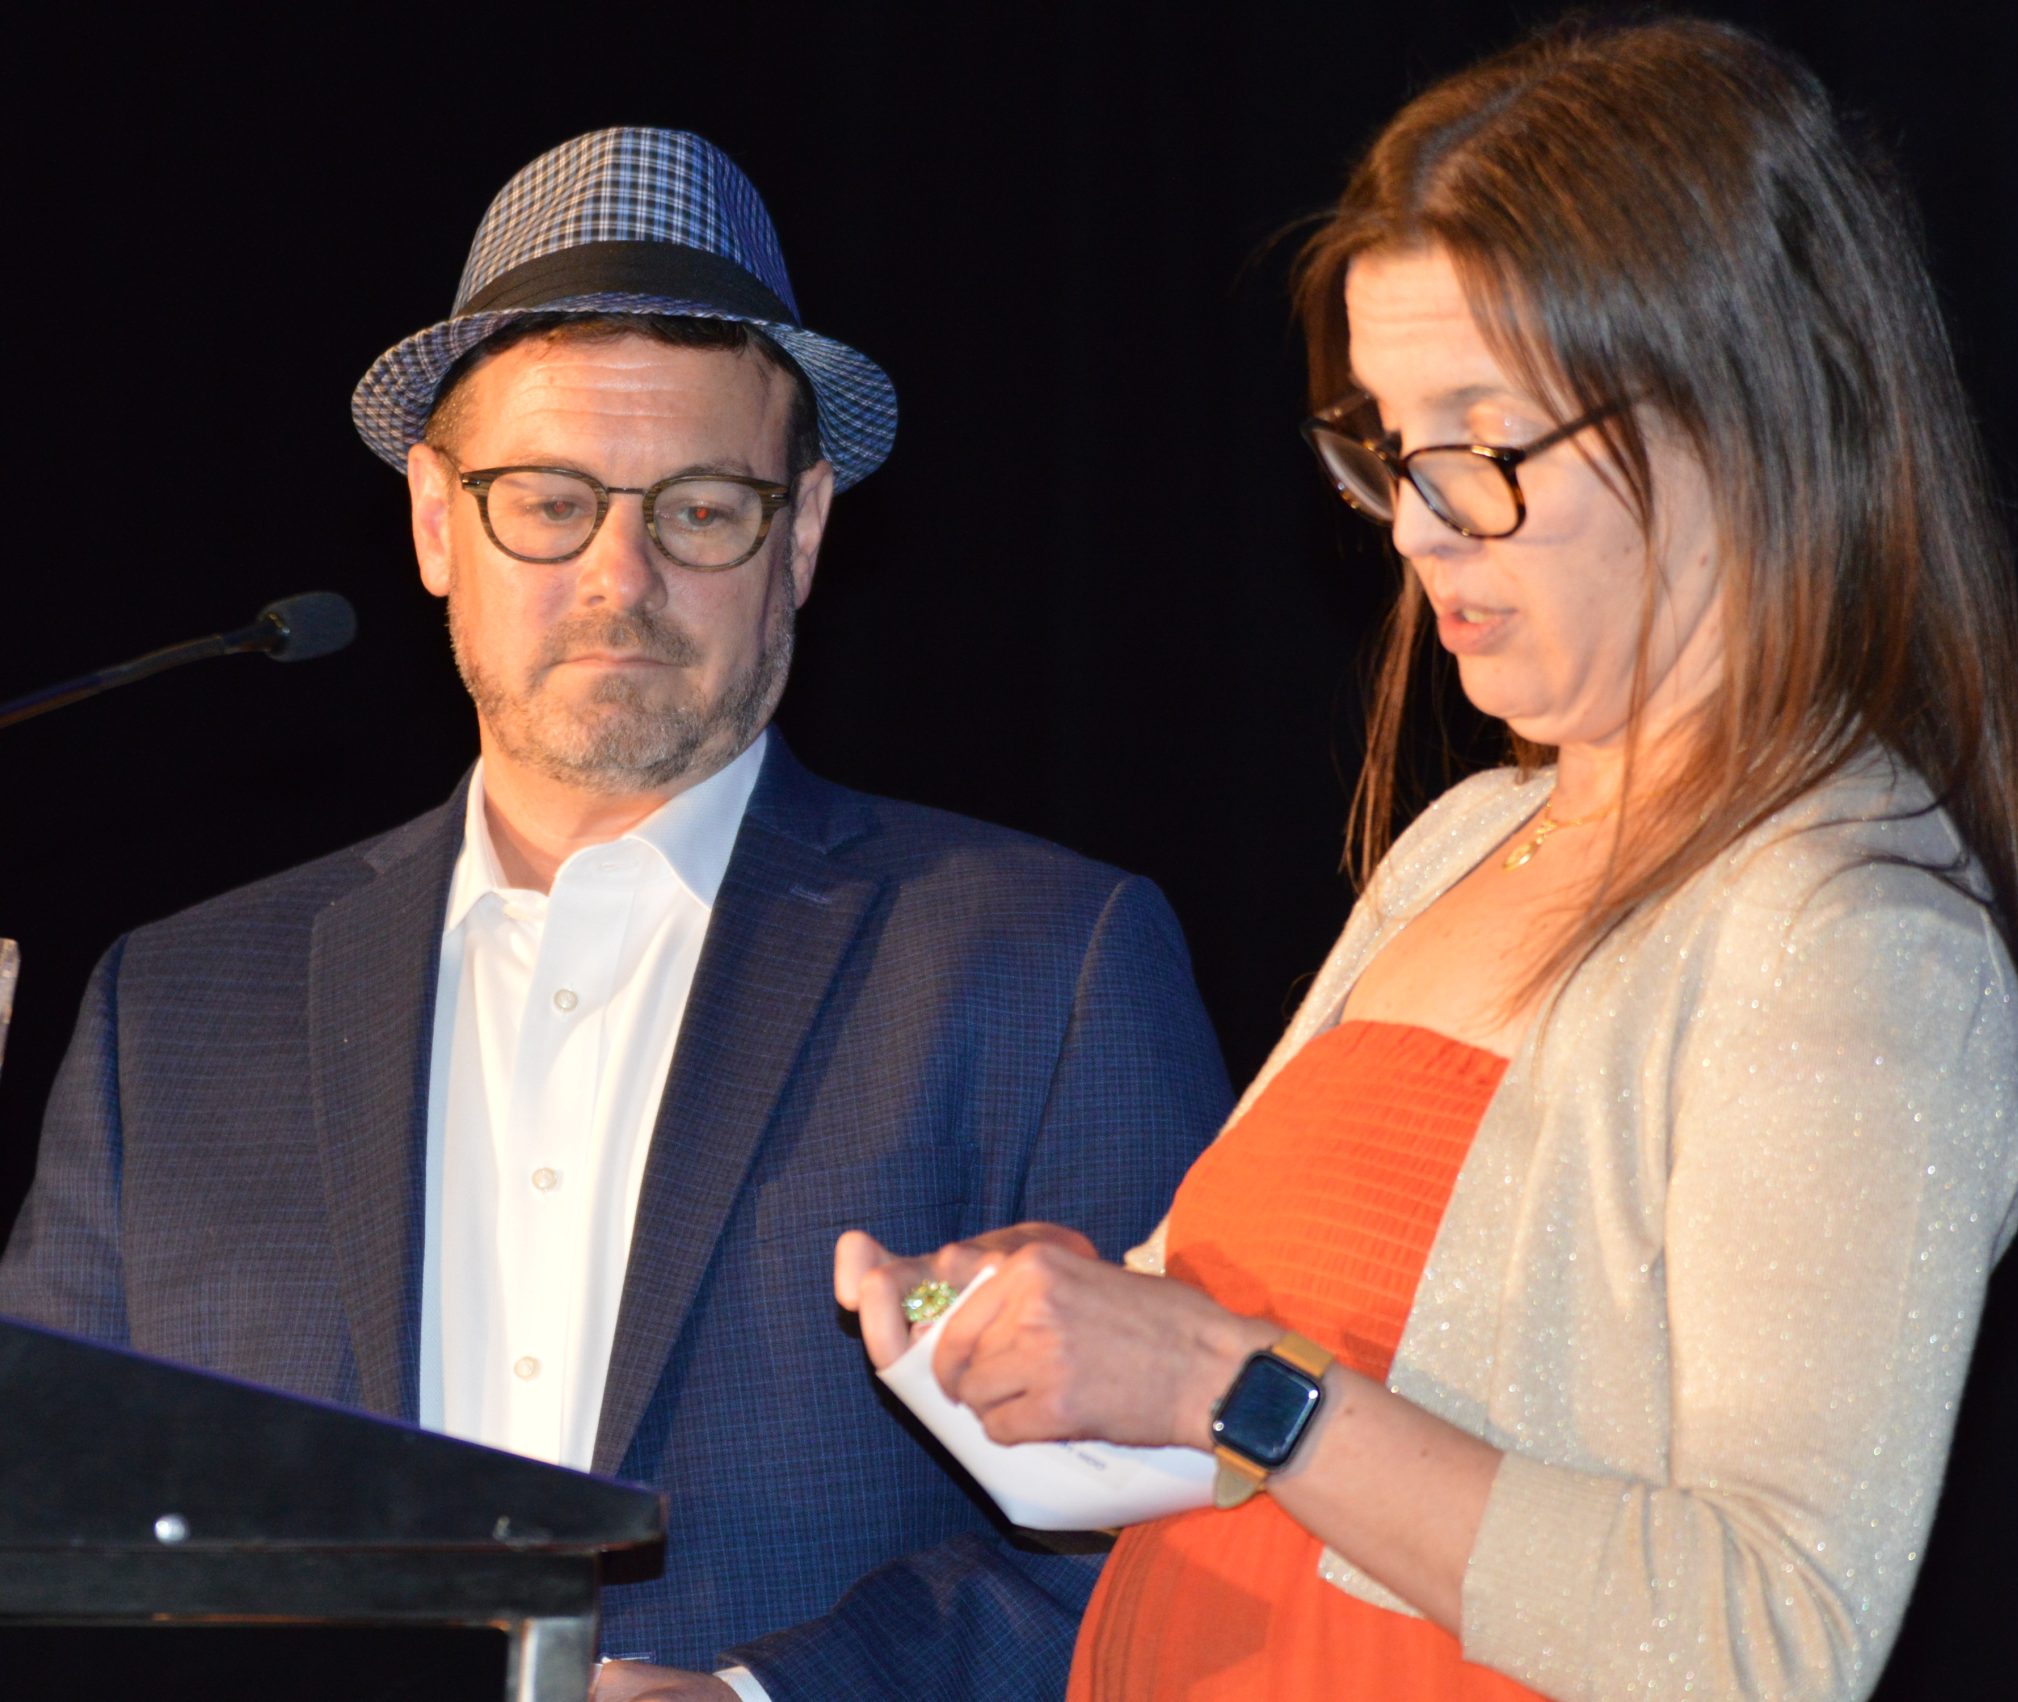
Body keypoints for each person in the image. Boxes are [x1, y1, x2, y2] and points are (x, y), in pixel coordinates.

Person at [838, 18, 2018, 1701]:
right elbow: (1245, 1425)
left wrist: (1230, 1381)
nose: (1412, 522)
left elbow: (1767, 1636)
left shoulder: (1842, 931)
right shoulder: (1464, 844)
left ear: (1741, 414)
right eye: (1391, 448)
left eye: (1480, 442)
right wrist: (1062, 1326)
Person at [0, 128, 1232, 1701]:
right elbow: (48, 1527)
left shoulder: (1042, 962)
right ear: (435, 521)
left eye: (701, 508)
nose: (620, 575)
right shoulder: (172, 1008)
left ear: (801, 532)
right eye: (549, 501)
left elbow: (1181, 1533)